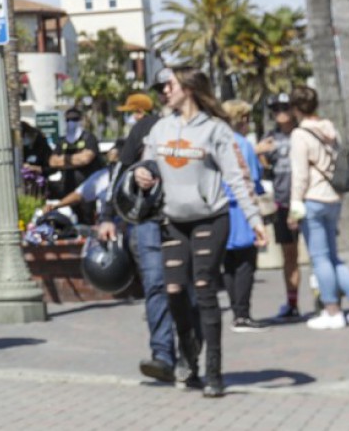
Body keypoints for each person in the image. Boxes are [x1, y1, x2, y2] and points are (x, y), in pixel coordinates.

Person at [101, 69, 266, 399]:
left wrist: (255, 219)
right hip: (172, 219)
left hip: (210, 218)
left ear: (189, 89)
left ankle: (214, 372)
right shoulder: (161, 128)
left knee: (204, 289)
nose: (164, 91)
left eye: (169, 85)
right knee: (174, 291)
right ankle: (189, 357)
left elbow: (236, 178)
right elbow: (145, 165)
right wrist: (143, 176)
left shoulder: (215, 130)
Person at [101, 89, 178, 380]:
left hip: (184, 220)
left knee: (185, 292)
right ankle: (162, 354)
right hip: (148, 218)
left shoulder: (198, 130)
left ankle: (190, 356)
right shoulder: (145, 129)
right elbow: (120, 171)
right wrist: (107, 216)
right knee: (156, 283)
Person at [287, 85, 349, 329]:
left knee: (320, 259)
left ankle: (332, 310)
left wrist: (295, 206)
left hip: (312, 198)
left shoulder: (300, 135)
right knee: (334, 257)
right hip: (334, 197)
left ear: (295, 109)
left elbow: (300, 174)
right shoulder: (330, 129)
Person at [256, 92, 305, 321]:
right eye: (276, 109)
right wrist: (260, 154)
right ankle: (292, 302)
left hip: (308, 200)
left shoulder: (303, 133)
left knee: (317, 253)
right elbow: (261, 164)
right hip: (282, 202)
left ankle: (324, 298)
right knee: (289, 255)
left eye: (285, 107)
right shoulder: (270, 138)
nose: (281, 113)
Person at [219, 100, 265, 333]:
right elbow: (254, 178)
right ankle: (242, 313)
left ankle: (236, 310)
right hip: (242, 208)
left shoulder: (217, 142)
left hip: (221, 207)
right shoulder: (243, 144)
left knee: (228, 262)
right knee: (246, 261)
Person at [46, 105, 102, 204]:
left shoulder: (88, 138)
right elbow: (52, 162)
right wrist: (75, 160)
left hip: (87, 190)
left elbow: (85, 159)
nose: (71, 122)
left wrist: (64, 161)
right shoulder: (62, 141)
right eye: (68, 119)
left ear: (80, 120)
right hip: (67, 190)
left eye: (74, 119)